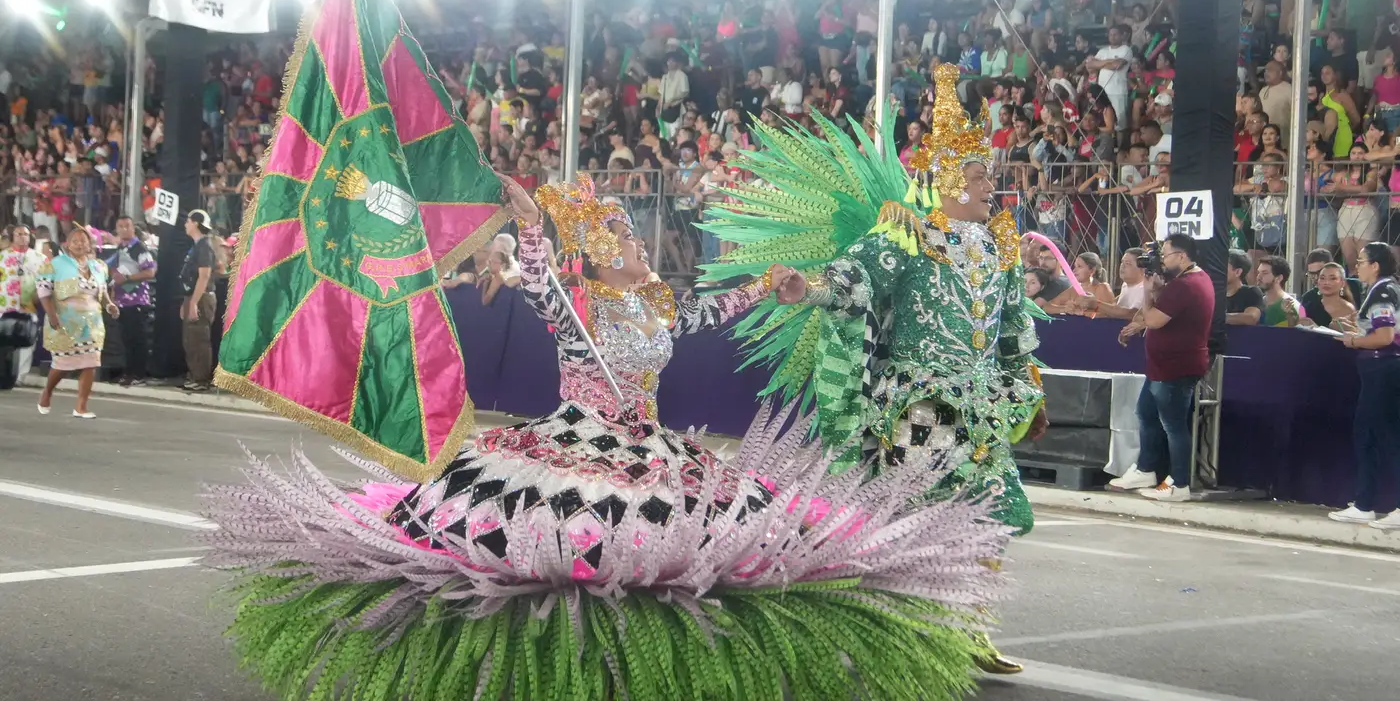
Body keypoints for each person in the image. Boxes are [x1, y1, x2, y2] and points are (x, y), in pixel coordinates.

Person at [206, 174, 1013, 699]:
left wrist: (768, 287)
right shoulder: (578, 308)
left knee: (677, 546)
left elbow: (708, 313)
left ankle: (631, 664)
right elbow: (541, 287)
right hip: (575, 444)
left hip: (648, 442)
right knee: (565, 549)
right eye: (622, 239)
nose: (636, 245)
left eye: (631, 236)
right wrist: (532, 228)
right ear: (598, 256)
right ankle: (547, 665)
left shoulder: (656, 305)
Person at [708, 64, 1049, 674]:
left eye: (988, 176)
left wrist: (1031, 392)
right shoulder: (907, 236)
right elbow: (852, 282)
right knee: (917, 517)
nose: (988, 187)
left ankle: (970, 628)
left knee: (991, 513)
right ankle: (914, 633)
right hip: (921, 407)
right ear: (948, 178)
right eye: (978, 176)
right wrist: (807, 289)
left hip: (983, 407)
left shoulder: (1000, 246)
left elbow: (1014, 330)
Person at [1111, 234, 1215, 501]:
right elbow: (1168, 311)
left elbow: (1154, 320)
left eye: (1165, 255)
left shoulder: (1185, 285)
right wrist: (1157, 291)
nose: (1162, 261)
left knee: (1173, 426)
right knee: (1146, 412)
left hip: (1176, 367)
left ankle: (1179, 485)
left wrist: (1147, 293)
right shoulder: (1192, 280)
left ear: (1182, 256)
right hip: (1162, 366)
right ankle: (1146, 469)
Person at [1330, 242, 1400, 529]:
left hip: (1383, 369)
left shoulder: (1383, 291)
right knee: (1370, 436)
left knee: (1384, 437)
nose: (1356, 267)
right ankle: (1364, 503)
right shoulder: (1385, 289)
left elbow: (1384, 336)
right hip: (1380, 370)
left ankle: (1372, 504)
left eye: (1361, 261)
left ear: (1375, 265)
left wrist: (1354, 341)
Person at [35, 226, 119, 418]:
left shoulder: (99, 266)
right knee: (62, 365)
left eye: (83, 241)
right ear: (67, 245)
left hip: (92, 324)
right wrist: (52, 315)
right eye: (75, 241)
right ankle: (47, 392)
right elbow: (44, 293)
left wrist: (109, 305)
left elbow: (102, 292)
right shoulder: (56, 265)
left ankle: (81, 406)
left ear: (90, 244)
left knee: (90, 363)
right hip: (65, 322)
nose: (80, 244)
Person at [108, 216, 156, 385]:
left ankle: (139, 374)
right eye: (120, 226)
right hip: (122, 301)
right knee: (126, 339)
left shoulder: (139, 248)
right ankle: (128, 373)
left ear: (133, 228)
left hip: (137, 300)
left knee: (138, 339)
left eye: (127, 226)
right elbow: (115, 274)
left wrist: (128, 278)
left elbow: (150, 272)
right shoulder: (120, 248)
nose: (124, 229)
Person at [0, 224, 44, 380]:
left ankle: (20, 376)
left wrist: (38, 296)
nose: (22, 237)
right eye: (18, 234)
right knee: (4, 339)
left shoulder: (39, 258)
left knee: (27, 338)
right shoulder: (2, 256)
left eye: (25, 234)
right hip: (4, 305)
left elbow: (46, 281)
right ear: (12, 237)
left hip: (28, 305)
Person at [180, 210, 216, 392]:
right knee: (190, 339)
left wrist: (194, 302)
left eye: (188, 221)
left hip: (201, 298)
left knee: (199, 339)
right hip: (192, 296)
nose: (185, 224)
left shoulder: (204, 247)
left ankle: (201, 379)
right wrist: (186, 301)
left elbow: (204, 276)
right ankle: (194, 375)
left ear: (195, 223)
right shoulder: (197, 246)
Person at [1300, 261, 1358, 330]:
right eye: (1322, 278)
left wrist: (1317, 328)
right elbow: (1299, 324)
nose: (1326, 282)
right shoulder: (1308, 303)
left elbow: (1352, 333)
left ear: (1342, 283)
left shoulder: (1348, 309)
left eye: (1333, 278)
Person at [1256, 255, 1302, 327]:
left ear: (1279, 278)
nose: (1258, 277)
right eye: (1258, 272)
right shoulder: (1256, 304)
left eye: (1264, 273)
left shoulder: (1294, 307)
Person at [1224, 250, 1265, 325]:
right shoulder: (1214, 293)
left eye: (1223, 267)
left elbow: (1251, 318)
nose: (1217, 270)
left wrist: (1217, 317)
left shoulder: (1251, 292)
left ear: (1238, 272)